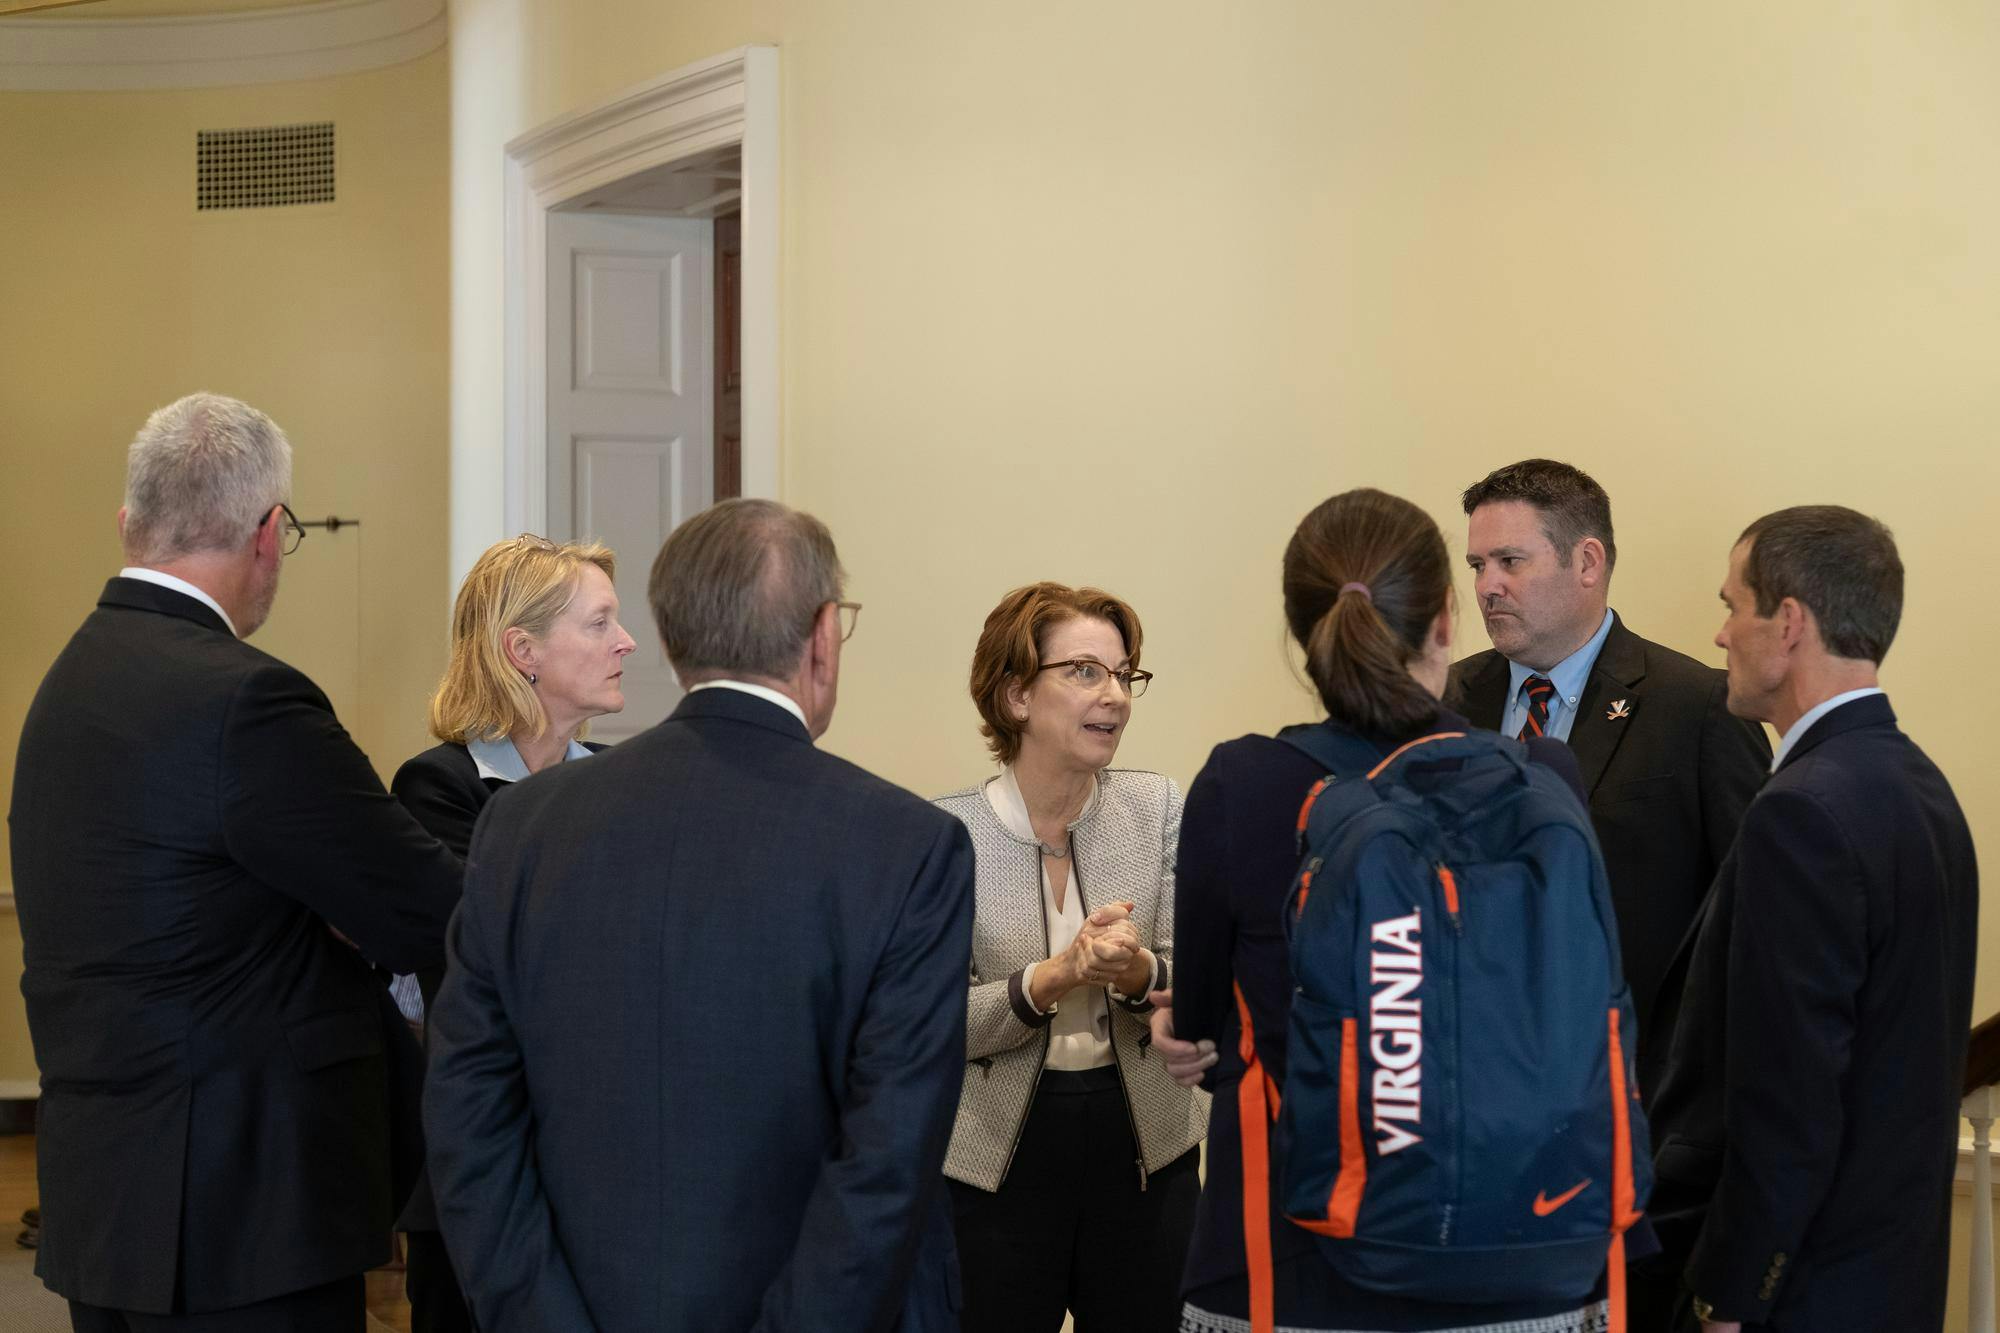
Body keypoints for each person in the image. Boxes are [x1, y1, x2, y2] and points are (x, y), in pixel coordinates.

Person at [422, 497, 976, 1332]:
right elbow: (889, 1156)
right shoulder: (907, 844)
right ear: (823, 637)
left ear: (674, 638)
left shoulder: (525, 824)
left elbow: (469, 1114)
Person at [9, 392, 462, 1331]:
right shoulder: (249, 700)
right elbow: (425, 907)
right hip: (245, 1208)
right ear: (268, 532)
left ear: (129, 522)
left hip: (108, 1194)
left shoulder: (65, 685)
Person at [1155, 488, 1608, 1333]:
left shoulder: (1243, 783)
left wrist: (1178, 1028)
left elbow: (1210, 1038)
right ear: (1446, 619)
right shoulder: (1541, 776)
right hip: (1527, 1254)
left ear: (1303, 632)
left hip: (1301, 1265)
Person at [1642, 506, 1976, 1333]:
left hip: (1793, 1297)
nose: (1721, 633)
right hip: (1889, 1287)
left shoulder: (1801, 812)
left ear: (1789, 622)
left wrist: (1728, 1295)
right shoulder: (1923, 788)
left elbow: (1788, 1099)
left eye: (1733, 605)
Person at [934, 583, 1208, 1333]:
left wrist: (1138, 974)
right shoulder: (945, 835)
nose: (1114, 695)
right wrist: (1052, 978)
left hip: (1146, 1150)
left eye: (1124, 674)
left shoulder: (1158, 808)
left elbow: (1203, 978)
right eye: (1085, 671)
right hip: (993, 1160)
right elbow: (929, 1024)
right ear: (1017, 694)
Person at [1449, 460, 1770, 1098]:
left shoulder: (1697, 708)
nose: (1487, 587)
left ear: (1588, 562)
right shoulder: (1446, 701)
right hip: (1472, 1089)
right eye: (1478, 566)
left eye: (1510, 561)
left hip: (1636, 1094)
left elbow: (1753, 919)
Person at [390, 533, 637, 1333]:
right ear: (522, 650)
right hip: (482, 1167)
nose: (627, 641)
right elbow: (500, 953)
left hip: (609, 1166)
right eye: (599, 622)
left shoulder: (625, 782)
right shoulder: (438, 786)